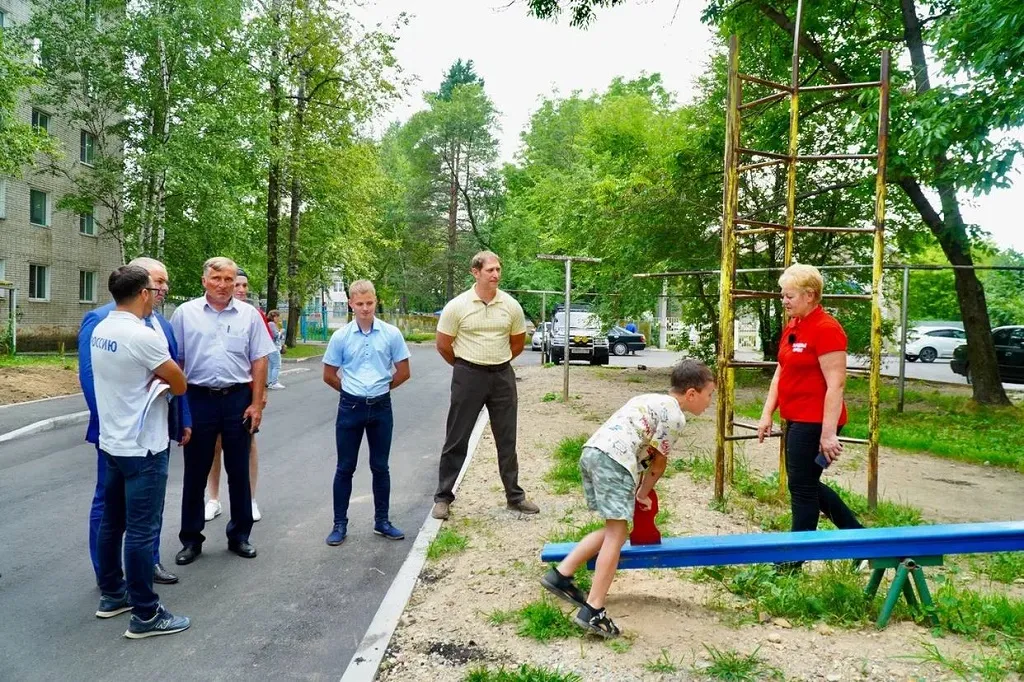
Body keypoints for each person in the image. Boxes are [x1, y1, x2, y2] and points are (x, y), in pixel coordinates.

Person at [541, 359, 715, 638]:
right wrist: (643, 492)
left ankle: (562, 574)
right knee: (617, 535)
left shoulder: (649, 399)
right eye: (709, 395)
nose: (709, 402)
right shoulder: (675, 416)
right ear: (692, 394)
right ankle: (593, 609)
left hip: (593, 453)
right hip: (614, 460)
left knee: (614, 529)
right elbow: (658, 464)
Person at [90, 265, 191, 638]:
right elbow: (179, 384)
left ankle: (113, 595)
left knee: (112, 522)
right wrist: (164, 377)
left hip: (113, 442)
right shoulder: (142, 336)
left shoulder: (103, 329)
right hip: (144, 445)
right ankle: (146, 614)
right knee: (141, 531)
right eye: (155, 289)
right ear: (144, 293)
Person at [171, 257, 276, 565]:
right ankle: (191, 539)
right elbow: (176, 362)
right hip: (198, 398)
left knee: (239, 470)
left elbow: (260, 359)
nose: (223, 284)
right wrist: (180, 406)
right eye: (216, 278)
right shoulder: (184, 314)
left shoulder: (249, 316)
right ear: (204, 280)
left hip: (237, 399)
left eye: (229, 279)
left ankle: (240, 535)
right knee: (195, 471)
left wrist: (256, 404)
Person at [757, 263, 864, 565]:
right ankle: (859, 539)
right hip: (796, 418)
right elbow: (782, 370)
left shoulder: (826, 329)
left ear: (810, 295)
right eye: (783, 295)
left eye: (789, 295)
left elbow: (837, 383)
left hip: (816, 422)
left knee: (802, 487)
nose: (784, 301)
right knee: (806, 485)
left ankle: (794, 560)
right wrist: (767, 413)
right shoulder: (794, 325)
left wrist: (828, 434)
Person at [431, 251, 539, 520]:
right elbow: (444, 345)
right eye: (490, 270)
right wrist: (466, 367)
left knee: (507, 438)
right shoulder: (457, 306)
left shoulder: (511, 306)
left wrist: (496, 361)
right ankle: (443, 498)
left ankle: (515, 497)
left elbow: (517, 343)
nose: (496, 274)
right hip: (468, 374)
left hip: (502, 375)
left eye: (498, 270)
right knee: (457, 437)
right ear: (475, 272)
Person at [321, 280, 411, 546]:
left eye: (369, 303)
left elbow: (404, 371)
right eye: (359, 304)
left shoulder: (391, 334)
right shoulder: (341, 337)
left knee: (380, 466)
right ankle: (339, 524)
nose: (365, 309)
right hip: (350, 406)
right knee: (345, 467)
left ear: (376, 301)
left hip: (381, 406)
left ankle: (382, 521)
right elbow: (328, 374)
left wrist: (382, 388)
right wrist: (351, 391)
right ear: (350, 304)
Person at [204, 268, 272, 523]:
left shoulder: (255, 316)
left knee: (247, 445)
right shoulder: (207, 313)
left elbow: (262, 357)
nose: (241, 289)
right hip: (211, 394)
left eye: (244, 285)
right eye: (238, 284)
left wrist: (260, 393)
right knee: (214, 446)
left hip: (243, 394)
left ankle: (249, 499)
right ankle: (213, 499)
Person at [266, 309, 285, 390]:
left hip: (270, 347)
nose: (278, 318)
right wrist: (281, 331)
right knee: (277, 365)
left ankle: (270, 382)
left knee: (271, 365)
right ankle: (274, 383)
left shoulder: (269, 324)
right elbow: (275, 336)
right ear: (272, 317)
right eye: (276, 316)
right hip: (274, 347)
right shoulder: (271, 324)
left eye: (278, 316)